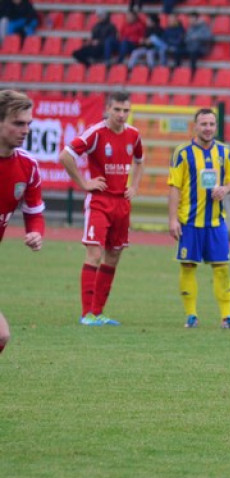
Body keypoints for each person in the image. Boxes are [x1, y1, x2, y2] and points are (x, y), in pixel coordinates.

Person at [58, 91, 144, 326]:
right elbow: (65, 155)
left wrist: (134, 186)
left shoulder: (134, 135)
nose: (122, 114)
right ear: (108, 109)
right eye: (117, 109)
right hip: (99, 202)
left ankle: (98, 312)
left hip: (121, 204)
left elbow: (140, 161)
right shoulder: (96, 133)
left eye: (126, 110)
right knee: (95, 254)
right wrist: (84, 183)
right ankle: (87, 314)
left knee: (113, 256)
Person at [167, 108, 230, 329]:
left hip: (216, 222)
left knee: (222, 267)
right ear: (195, 126)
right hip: (189, 222)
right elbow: (174, 188)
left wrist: (225, 190)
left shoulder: (224, 152)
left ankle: (227, 317)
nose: (208, 128)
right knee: (188, 266)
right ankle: (191, 315)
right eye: (203, 124)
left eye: (211, 124)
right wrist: (172, 219)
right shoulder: (182, 152)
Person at [0, 90, 45, 355]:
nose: (26, 129)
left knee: (2, 336)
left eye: (29, 123)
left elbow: (35, 212)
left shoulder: (28, 166)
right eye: (18, 123)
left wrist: (35, 233)